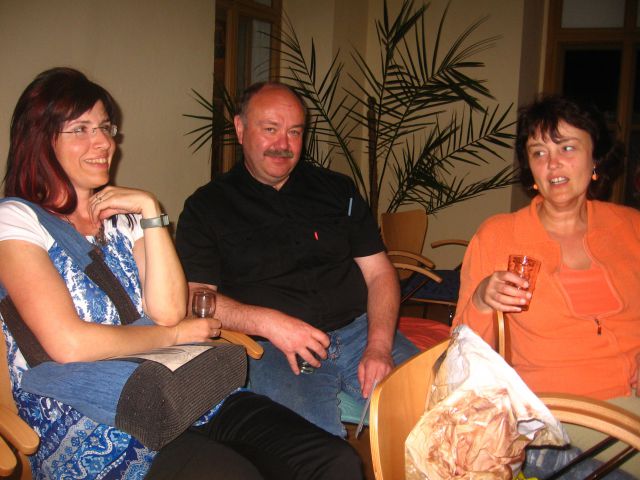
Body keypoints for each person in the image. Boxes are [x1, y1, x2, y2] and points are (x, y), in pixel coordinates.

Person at [0, 68, 362, 480]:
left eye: (104, 127)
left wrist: (150, 211)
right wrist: (173, 337)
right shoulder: (17, 220)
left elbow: (170, 311)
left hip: (176, 388)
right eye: (81, 129)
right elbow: (69, 343)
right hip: (87, 414)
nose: (103, 142)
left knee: (334, 460)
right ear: (40, 139)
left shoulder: (125, 217)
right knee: (234, 473)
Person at [176, 81, 418, 437]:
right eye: (270, 129)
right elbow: (195, 297)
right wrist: (270, 323)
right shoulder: (206, 207)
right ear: (240, 129)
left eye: (294, 132)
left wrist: (379, 346)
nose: (283, 144)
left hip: (360, 332)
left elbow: (380, 273)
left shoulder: (337, 190)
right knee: (314, 451)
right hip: (275, 351)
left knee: (443, 412)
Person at [452, 95, 640, 477]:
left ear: (595, 158)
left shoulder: (630, 227)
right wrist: (483, 299)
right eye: (539, 153)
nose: (552, 163)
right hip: (559, 415)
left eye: (567, 148)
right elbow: (462, 350)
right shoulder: (498, 236)